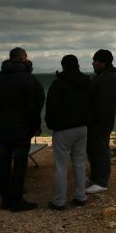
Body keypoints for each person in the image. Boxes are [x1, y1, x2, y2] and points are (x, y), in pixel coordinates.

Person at [0, 48, 44, 212]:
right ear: (23, 59)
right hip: (22, 128)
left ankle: (5, 200)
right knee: (20, 164)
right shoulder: (28, 78)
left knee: (4, 163)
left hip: (2, 127)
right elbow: (32, 106)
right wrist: (36, 126)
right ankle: (17, 200)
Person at [45, 55, 90, 210]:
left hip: (63, 128)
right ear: (77, 65)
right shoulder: (86, 81)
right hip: (83, 127)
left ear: (63, 66)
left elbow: (51, 106)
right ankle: (80, 196)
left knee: (61, 165)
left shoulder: (58, 84)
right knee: (79, 163)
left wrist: (50, 124)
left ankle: (59, 201)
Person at [86, 49, 116, 194]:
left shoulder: (108, 79)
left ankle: (102, 182)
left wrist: (95, 118)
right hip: (94, 121)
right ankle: (95, 177)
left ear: (103, 63)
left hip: (101, 122)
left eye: (95, 61)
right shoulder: (100, 77)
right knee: (92, 149)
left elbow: (104, 104)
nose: (93, 63)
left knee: (101, 150)